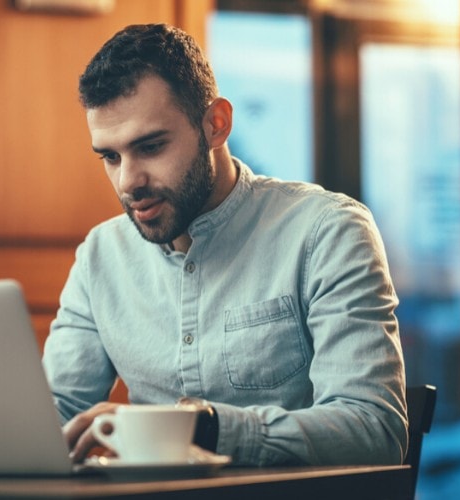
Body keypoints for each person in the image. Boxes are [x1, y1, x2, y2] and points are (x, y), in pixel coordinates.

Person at [42, 23, 408, 467]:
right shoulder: (100, 257)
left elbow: (373, 429)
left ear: (216, 124)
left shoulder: (327, 232)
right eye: (110, 157)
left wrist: (204, 428)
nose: (128, 182)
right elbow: (52, 421)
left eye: (152, 146)